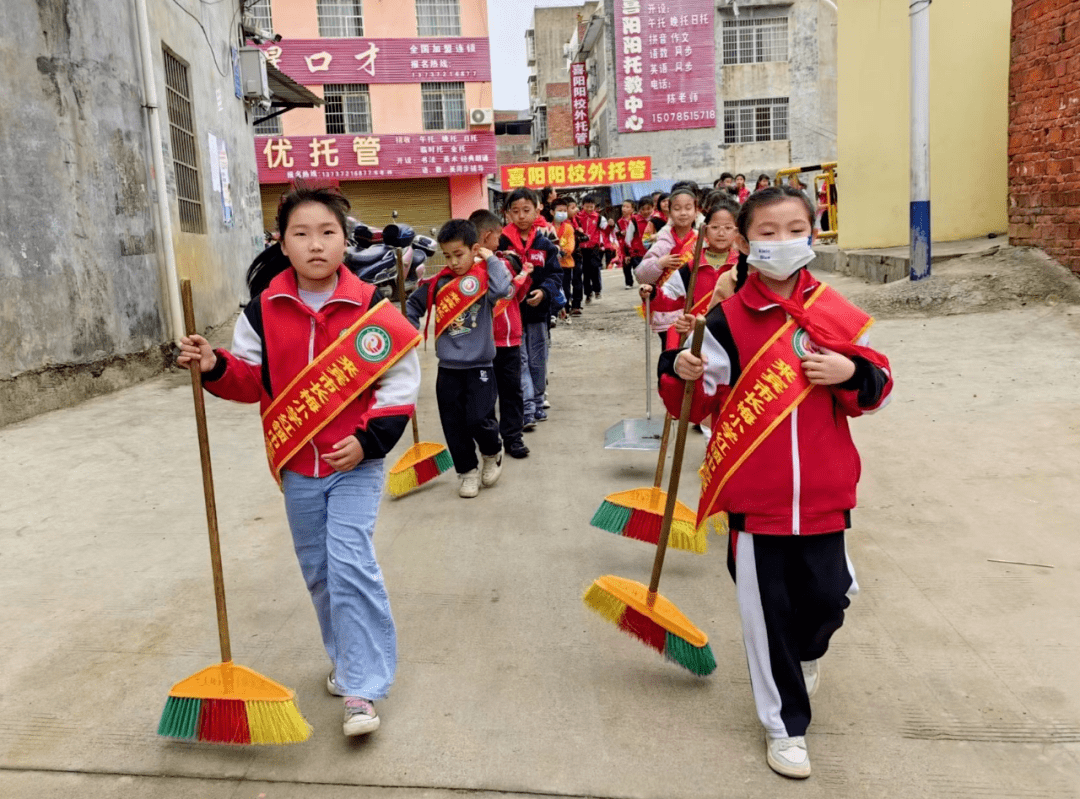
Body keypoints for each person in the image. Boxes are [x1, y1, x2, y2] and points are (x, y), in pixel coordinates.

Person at [659, 186, 893, 779]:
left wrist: (849, 372)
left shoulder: (834, 311)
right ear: (744, 240)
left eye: (795, 229)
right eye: (767, 232)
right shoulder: (726, 321)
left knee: (827, 602)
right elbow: (694, 403)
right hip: (755, 502)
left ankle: (809, 651)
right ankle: (785, 726)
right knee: (768, 618)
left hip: (823, 494)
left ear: (813, 234)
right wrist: (678, 369)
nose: (782, 242)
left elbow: (877, 387)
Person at [178, 184, 422, 738]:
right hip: (296, 464)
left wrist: (369, 441)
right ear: (281, 244)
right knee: (319, 573)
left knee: (351, 561)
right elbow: (247, 381)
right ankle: (346, 661)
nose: (316, 244)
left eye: (328, 233)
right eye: (301, 234)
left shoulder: (374, 310)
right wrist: (214, 363)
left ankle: (363, 689)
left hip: (355, 462)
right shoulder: (263, 311)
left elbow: (399, 388)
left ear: (346, 240)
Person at [405, 219, 512, 498]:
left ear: (474, 249)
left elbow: (503, 290)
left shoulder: (483, 281)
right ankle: (467, 472)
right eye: (448, 256)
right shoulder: (439, 283)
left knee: (479, 419)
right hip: (448, 367)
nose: (453, 262)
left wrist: (490, 260)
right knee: (453, 424)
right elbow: (414, 304)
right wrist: (409, 325)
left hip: (480, 366)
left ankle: (492, 451)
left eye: (459, 254)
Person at [469, 209, 532, 460]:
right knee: (484, 396)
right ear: (486, 236)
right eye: (498, 235)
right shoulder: (471, 270)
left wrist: (525, 277)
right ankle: (490, 441)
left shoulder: (505, 261)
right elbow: (505, 292)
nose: (500, 239)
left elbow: (517, 296)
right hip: (483, 344)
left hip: (510, 340)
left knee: (512, 392)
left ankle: (513, 438)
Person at [498, 187, 563, 427]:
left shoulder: (545, 243)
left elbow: (556, 274)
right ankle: (525, 407)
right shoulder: (502, 242)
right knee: (519, 360)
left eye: (526, 210)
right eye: (515, 211)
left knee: (538, 358)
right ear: (507, 214)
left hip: (537, 313)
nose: (521, 216)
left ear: (537, 210)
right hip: (510, 313)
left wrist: (544, 291)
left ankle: (537, 400)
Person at [649, 197, 741, 346]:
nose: (721, 233)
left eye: (728, 228)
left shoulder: (743, 267)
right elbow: (669, 300)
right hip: (697, 337)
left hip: (735, 337)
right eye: (715, 227)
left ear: (737, 232)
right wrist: (652, 293)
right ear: (704, 231)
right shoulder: (690, 268)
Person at [635, 185, 699, 346]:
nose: (683, 213)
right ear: (669, 213)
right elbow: (641, 274)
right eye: (677, 209)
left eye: (688, 208)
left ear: (696, 211)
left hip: (697, 307)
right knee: (670, 354)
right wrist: (659, 263)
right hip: (668, 309)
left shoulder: (701, 240)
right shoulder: (663, 240)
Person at [552, 196, 580, 316]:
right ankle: (554, 309)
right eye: (559, 211)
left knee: (566, 287)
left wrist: (564, 252)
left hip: (566, 263)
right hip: (552, 263)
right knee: (553, 286)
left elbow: (571, 243)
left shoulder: (568, 227)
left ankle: (566, 308)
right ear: (552, 212)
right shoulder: (548, 227)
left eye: (564, 211)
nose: (562, 213)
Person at [576, 194, 604, 304]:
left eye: (591, 207)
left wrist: (610, 226)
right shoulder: (577, 217)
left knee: (595, 267)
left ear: (594, 207)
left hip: (593, 247)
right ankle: (588, 293)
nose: (589, 209)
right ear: (582, 206)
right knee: (585, 271)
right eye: (587, 206)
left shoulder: (598, 217)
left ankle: (597, 290)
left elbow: (605, 230)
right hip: (582, 248)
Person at [617, 198, 646, 289]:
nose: (624, 208)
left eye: (627, 207)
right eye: (623, 206)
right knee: (626, 265)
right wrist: (620, 233)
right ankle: (628, 282)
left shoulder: (636, 219)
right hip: (624, 245)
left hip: (636, 245)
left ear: (633, 209)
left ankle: (643, 280)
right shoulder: (619, 222)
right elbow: (616, 234)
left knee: (637, 265)